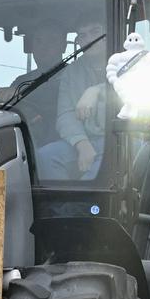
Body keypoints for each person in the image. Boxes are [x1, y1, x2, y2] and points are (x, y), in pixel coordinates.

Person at [38, 20, 109, 180]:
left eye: (95, 32)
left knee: (91, 181)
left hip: (121, 142)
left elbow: (130, 93)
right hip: (87, 140)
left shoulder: (126, 64)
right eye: (82, 35)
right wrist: (82, 144)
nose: (88, 39)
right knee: (46, 156)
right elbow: (65, 114)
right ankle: (59, 206)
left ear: (107, 35)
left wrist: (97, 90)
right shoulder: (72, 71)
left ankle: (82, 204)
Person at [0, 22, 69, 147]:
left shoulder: (74, 76)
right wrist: (4, 97)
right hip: (27, 145)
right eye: (38, 41)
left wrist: (21, 94)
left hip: (65, 146)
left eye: (51, 41)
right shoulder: (21, 81)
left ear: (63, 46)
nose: (43, 47)